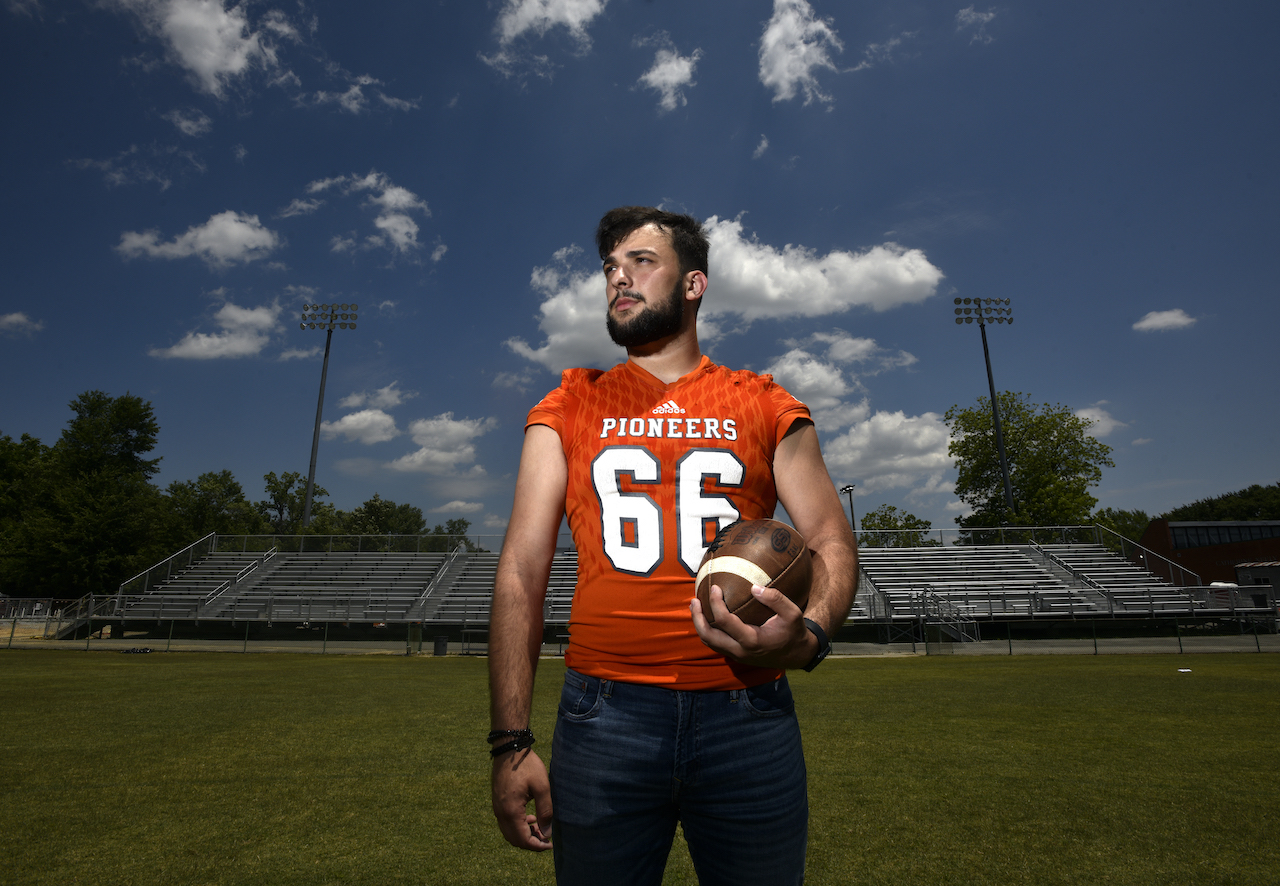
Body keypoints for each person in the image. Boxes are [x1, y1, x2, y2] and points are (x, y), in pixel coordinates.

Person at [489, 206, 858, 886]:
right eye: (608, 267)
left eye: (640, 262)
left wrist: (809, 636)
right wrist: (510, 743)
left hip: (747, 709)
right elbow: (519, 571)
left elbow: (832, 538)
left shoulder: (764, 400)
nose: (618, 279)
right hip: (602, 715)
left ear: (693, 284)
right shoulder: (568, 402)